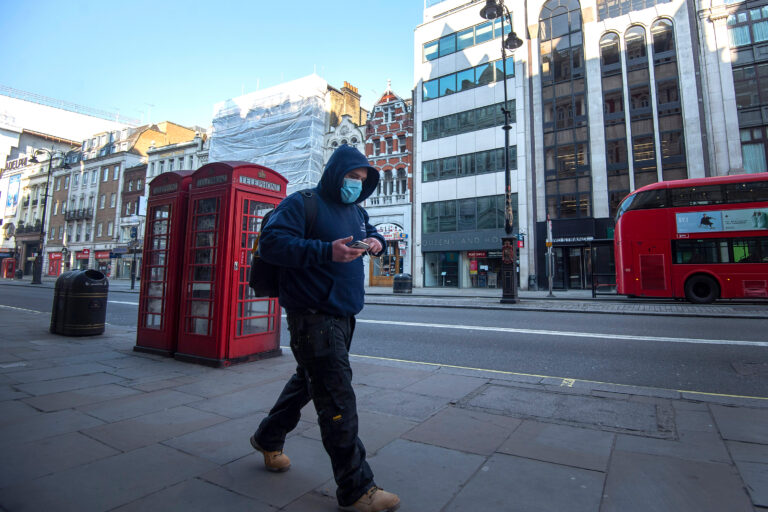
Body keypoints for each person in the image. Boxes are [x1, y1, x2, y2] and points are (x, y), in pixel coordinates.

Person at [250, 144, 400, 512]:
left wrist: (378, 241)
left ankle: (268, 437)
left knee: (307, 381)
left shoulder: (356, 210)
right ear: (335, 173)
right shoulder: (302, 203)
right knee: (336, 397)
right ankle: (356, 487)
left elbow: (372, 229)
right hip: (312, 314)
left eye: (362, 180)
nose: (356, 184)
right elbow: (271, 243)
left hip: (345, 314)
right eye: (352, 177)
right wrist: (324, 251)